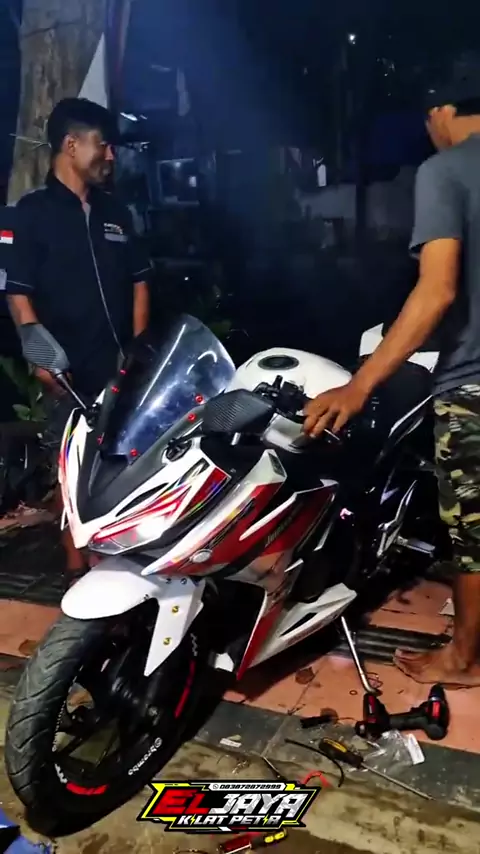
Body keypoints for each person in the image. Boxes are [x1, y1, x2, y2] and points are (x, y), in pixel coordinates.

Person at [303, 66, 480, 688]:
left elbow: (437, 291)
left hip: (474, 384)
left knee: (473, 531)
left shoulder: (447, 170)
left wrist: (360, 384)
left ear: (440, 113)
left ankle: (464, 659)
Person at [6, 97, 152, 580]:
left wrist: (139, 348)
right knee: (72, 477)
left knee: (125, 469)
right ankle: (77, 577)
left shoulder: (117, 213)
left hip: (121, 369)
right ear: (71, 145)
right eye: (102, 145)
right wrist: (41, 357)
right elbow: (18, 294)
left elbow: (140, 282)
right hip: (66, 374)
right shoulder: (31, 213)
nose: (110, 155)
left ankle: (124, 570)